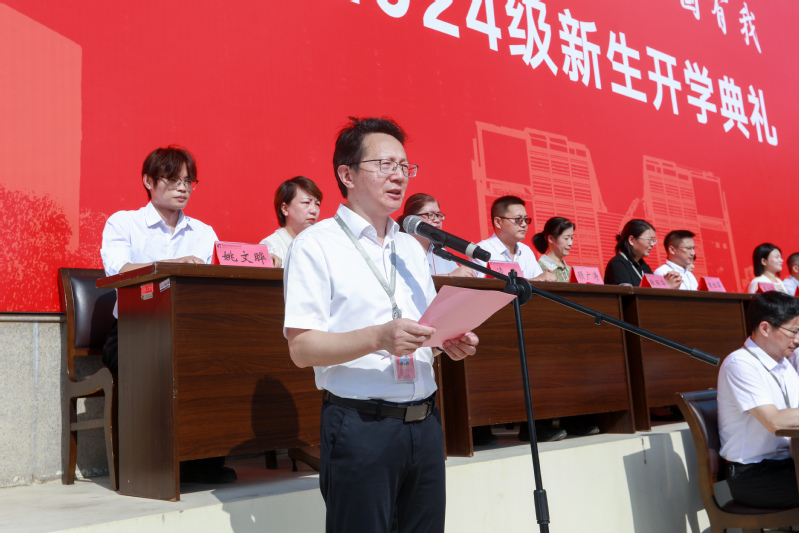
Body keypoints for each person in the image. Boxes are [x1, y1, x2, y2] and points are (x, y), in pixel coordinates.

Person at [283, 117, 479, 533]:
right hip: (361, 427)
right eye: (386, 164)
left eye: (405, 166)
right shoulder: (315, 245)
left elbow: (422, 332)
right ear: (347, 174)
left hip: (426, 422)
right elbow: (301, 349)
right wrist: (378, 337)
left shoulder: (411, 247)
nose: (399, 176)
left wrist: (446, 342)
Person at [100, 146, 235, 484]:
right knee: (158, 361)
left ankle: (203, 461)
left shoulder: (203, 232)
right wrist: (172, 266)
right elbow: (118, 270)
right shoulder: (124, 223)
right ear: (148, 181)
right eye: (172, 179)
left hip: (189, 331)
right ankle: (151, 463)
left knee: (222, 360)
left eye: (188, 181)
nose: (182, 188)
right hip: (133, 331)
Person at [718, 291, 799, 509]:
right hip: (754, 475)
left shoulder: (785, 363)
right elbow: (774, 421)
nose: (797, 340)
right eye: (793, 332)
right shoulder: (740, 364)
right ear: (765, 328)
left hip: (788, 465)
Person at [473, 196, 556, 282]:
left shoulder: (526, 251)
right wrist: (536, 280)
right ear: (498, 222)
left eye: (525, 219)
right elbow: (481, 286)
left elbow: (540, 282)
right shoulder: (481, 251)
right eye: (518, 219)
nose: (524, 224)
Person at [397, 193, 475, 277]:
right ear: (412, 219)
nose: (437, 220)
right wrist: (449, 276)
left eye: (438, 215)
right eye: (430, 215)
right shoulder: (398, 248)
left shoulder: (443, 253)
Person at [260, 176, 323, 268]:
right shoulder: (270, 247)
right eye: (306, 203)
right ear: (285, 209)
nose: (314, 210)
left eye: (317, 204)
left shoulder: (320, 244)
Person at [603, 219, 681, 289]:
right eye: (649, 240)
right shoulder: (618, 264)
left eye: (653, 241)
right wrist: (666, 287)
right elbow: (628, 296)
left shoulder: (644, 266)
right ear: (631, 240)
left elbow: (653, 293)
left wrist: (664, 283)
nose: (652, 244)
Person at [532, 216, 575, 282]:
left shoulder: (570, 271)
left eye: (572, 238)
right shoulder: (538, 268)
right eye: (566, 238)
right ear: (551, 239)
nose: (570, 243)